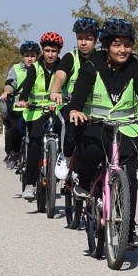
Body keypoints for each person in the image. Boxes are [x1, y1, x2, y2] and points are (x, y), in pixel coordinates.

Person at [66, 19, 138, 248]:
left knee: (129, 176)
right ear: (107, 46)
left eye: (127, 45)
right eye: (117, 45)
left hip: (125, 128)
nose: (123, 50)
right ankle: (84, 178)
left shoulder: (135, 69)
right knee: (90, 152)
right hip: (95, 123)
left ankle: (127, 232)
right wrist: (76, 109)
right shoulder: (92, 66)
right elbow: (80, 91)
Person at [15, 33, 65, 200]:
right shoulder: (35, 67)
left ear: (59, 52)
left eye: (54, 51)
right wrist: (23, 100)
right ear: (42, 51)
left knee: (67, 136)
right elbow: (27, 86)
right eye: (47, 50)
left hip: (57, 110)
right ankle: (30, 183)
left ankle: (67, 178)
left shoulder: (63, 67)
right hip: (36, 112)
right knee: (35, 142)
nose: (50, 54)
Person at [49, 17, 98, 167]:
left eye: (88, 39)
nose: (83, 43)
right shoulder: (71, 57)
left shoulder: (101, 59)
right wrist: (55, 91)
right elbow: (59, 76)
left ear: (96, 40)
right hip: (68, 104)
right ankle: (65, 155)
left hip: (91, 107)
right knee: (69, 122)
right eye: (80, 38)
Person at [0, 42, 40, 168]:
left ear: (37, 56)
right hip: (19, 107)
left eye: (32, 55)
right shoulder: (16, 68)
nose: (29, 58)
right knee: (16, 128)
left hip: (37, 108)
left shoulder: (41, 68)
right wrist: (7, 91)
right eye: (27, 55)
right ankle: (15, 152)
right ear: (22, 56)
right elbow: (10, 82)